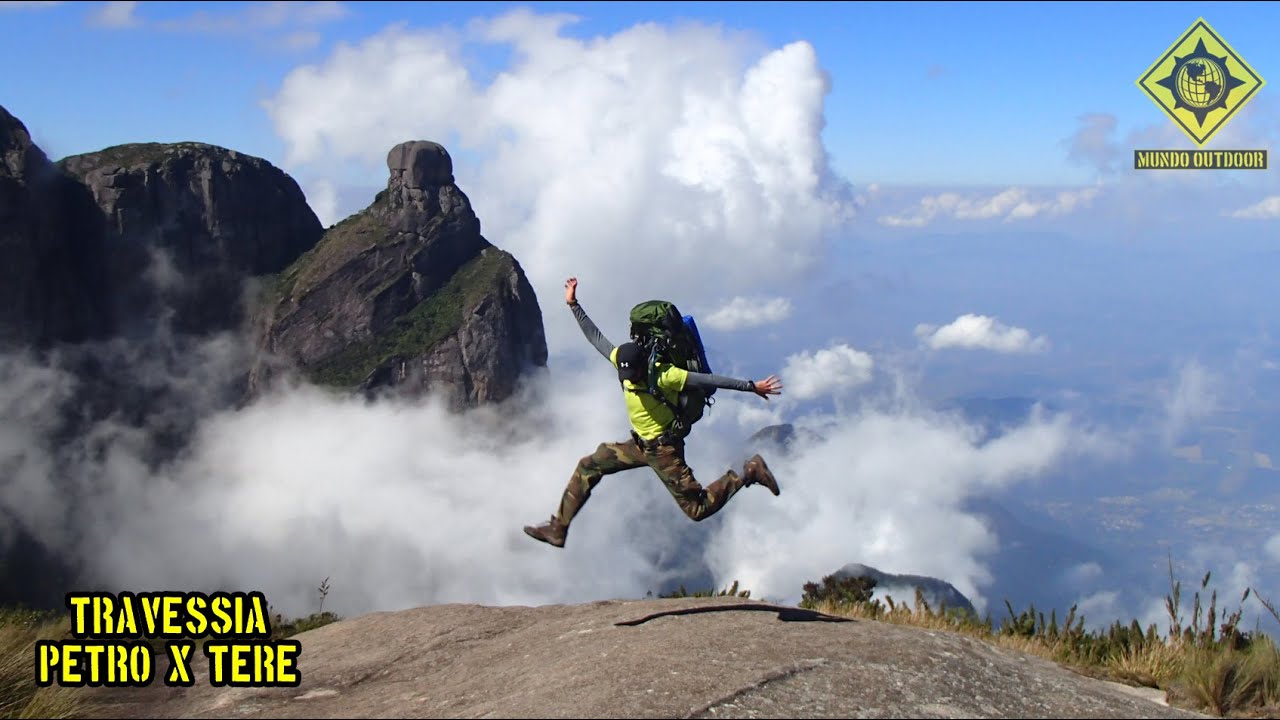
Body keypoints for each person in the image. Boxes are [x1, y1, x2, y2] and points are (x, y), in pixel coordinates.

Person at [523, 277, 785, 549]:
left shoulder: (666, 375)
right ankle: (558, 529)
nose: (627, 380)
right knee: (588, 465)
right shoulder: (622, 361)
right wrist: (573, 304)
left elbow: (710, 381)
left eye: (632, 375)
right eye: (624, 375)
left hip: (664, 451)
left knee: (697, 510)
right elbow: (595, 337)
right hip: (639, 444)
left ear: (641, 368)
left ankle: (748, 472)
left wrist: (752, 387)